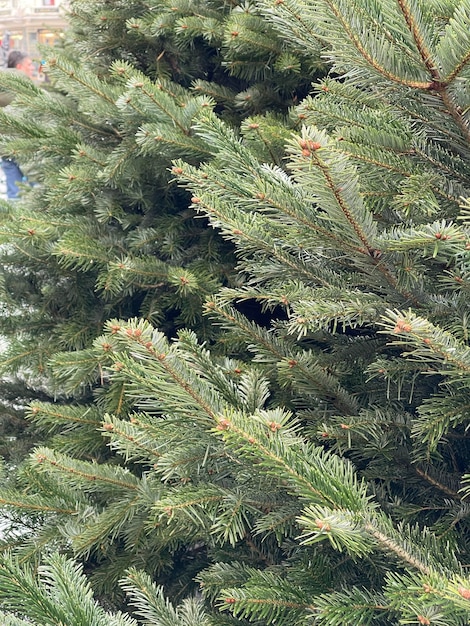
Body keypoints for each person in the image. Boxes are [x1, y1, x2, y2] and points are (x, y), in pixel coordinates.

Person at [0, 50, 34, 200]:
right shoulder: (22, 85)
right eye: (29, 64)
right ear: (19, 67)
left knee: (14, 191)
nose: (32, 67)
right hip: (25, 145)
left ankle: (14, 221)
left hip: (5, 146)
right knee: (37, 185)